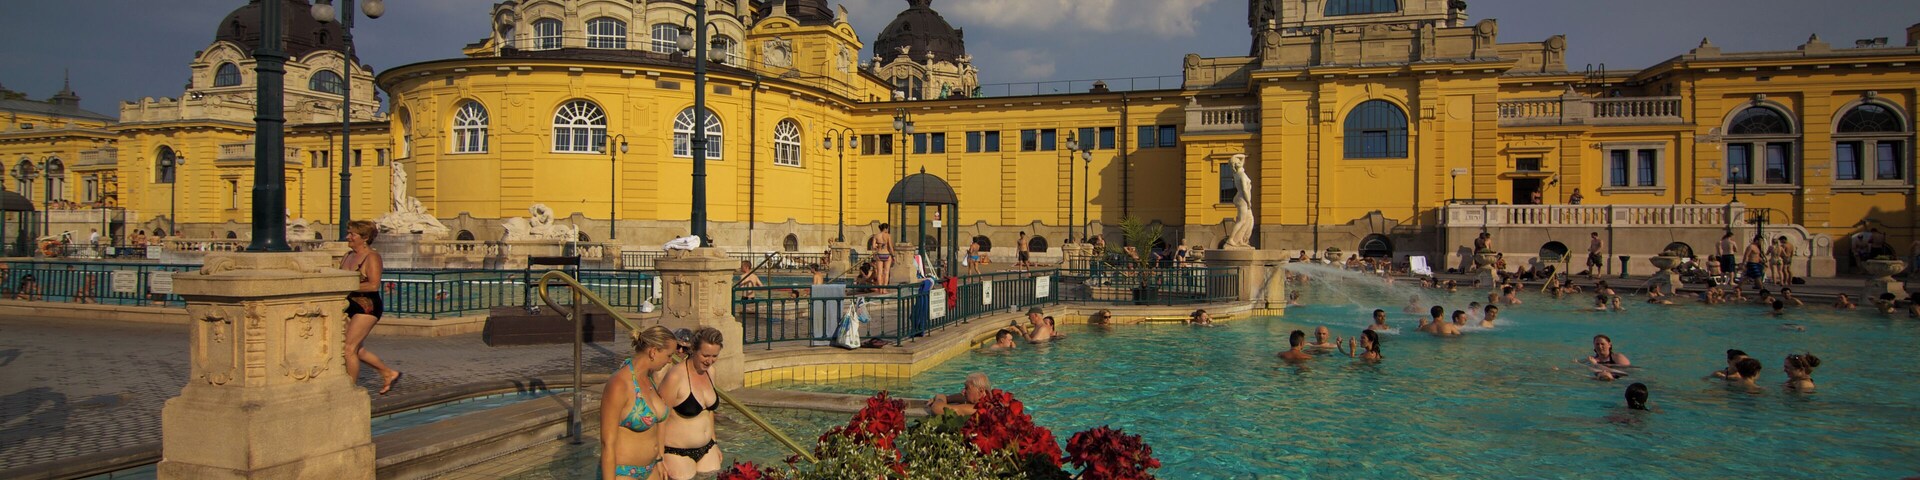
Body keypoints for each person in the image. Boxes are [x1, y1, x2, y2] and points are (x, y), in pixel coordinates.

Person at [600, 326, 677, 480]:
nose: (670, 361)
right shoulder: (619, 384)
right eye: (669, 355)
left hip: (651, 468)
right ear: (653, 352)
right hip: (624, 472)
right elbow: (607, 444)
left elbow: (655, 428)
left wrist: (659, 459)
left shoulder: (648, 378)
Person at [341, 220, 403, 395]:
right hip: (348, 305)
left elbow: (374, 285)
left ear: (365, 238)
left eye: (352, 234)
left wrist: (345, 287)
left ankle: (350, 392)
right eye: (349, 233)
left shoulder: (372, 257)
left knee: (348, 348)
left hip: (367, 307)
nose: (348, 237)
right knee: (357, 349)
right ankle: (388, 373)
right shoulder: (347, 256)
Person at [660, 327, 725, 480]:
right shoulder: (675, 377)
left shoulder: (711, 372)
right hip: (677, 452)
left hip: (708, 449)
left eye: (714, 356)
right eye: (705, 355)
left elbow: (708, 412)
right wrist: (658, 457)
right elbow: (660, 418)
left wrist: (714, 442)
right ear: (693, 350)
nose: (709, 361)